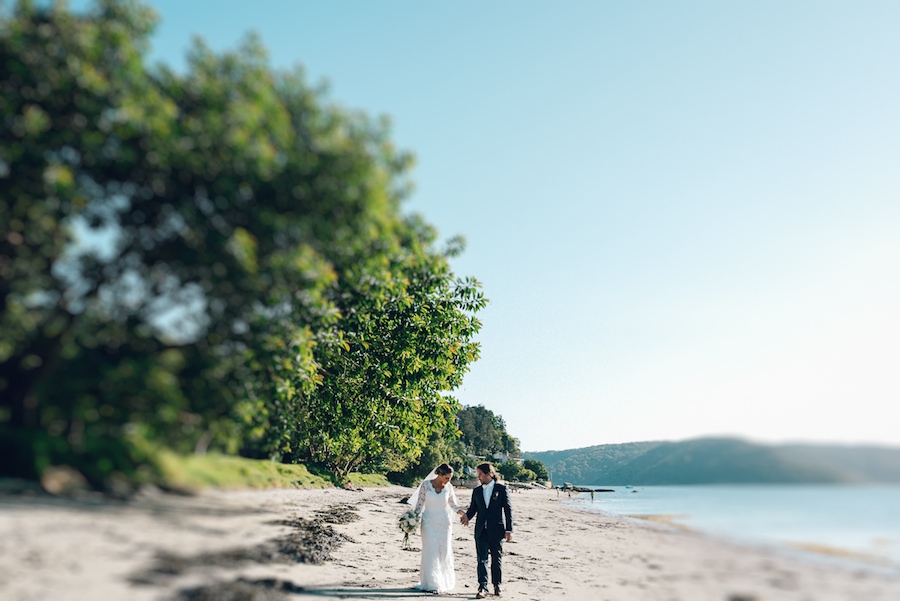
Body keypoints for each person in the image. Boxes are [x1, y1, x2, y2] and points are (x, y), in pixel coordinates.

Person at [411, 463, 466, 593]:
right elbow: (419, 505)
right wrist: (411, 520)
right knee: (430, 551)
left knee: (443, 552)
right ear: (439, 475)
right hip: (428, 522)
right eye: (447, 478)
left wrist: (464, 514)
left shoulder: (449, 487)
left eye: (450, 478)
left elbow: (453, 505)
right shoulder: (425, 485)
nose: (449, 481)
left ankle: (442, 581)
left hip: (444, 524)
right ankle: (432, 584)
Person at [461, 462, 513, 598]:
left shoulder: (501, 489)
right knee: (481, 559)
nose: (478, 477)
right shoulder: (477, 491)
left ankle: (497, 586)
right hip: (481, 530)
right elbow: (473, 509)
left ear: (488, 474)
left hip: (497, 530)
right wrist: (466, 517)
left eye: (480, 474)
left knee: (497, 559)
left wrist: (509, 530)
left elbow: (508, 510)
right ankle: (482, 587)